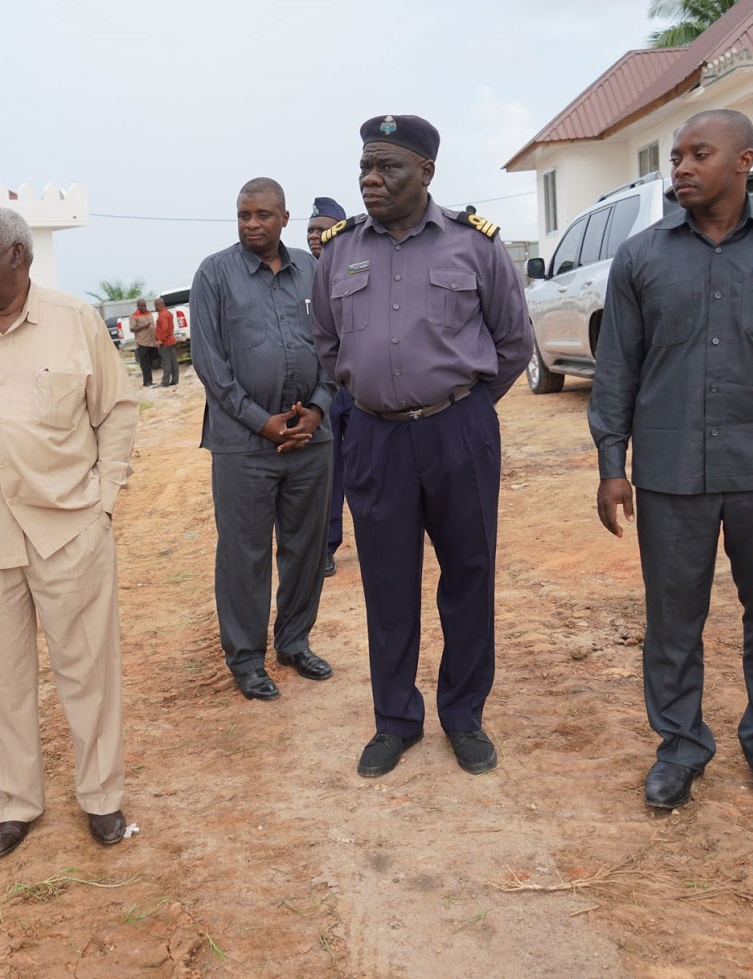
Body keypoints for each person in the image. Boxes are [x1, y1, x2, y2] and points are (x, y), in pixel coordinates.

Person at [588, 109, 753, 816]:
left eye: (698, 154)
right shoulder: (641, 258)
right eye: (675, 156)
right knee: (672, 620)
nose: (680, 167)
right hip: (671, 471)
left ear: (743, 161)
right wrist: (612, 463)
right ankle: (680, 746)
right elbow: (617, 369)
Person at [311, 115, 532, 779]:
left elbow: (513, 340)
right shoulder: (339, 251)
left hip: (457, 429)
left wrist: (463, 408)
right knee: (387, 581)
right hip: (374, 435)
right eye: (365, 168)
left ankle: (463, 715)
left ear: (427, 171)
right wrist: (373, 394)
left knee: (469, 574)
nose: (371, 180)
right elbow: (326, 343)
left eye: (388, 168)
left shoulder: (474, 244)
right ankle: (396, 720)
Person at [0, 206, 137, 859]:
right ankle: (15, 804)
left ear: (17, 256)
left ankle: (102, 797)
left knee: (88, 672)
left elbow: (117, 412)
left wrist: (103, 504)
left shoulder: (74, 320)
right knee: (1, 678)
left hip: (69, 530)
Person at [190, 177, 336, 703]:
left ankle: (294, 642)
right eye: (243, 215)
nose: (252, 224)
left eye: (263, 215)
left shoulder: (313, 271)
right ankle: (247, 660)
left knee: (306, 548)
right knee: (244, 554)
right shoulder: (214, 274)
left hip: (311, 439)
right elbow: (210, 363)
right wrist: (261, 421)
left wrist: (317, 408)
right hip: (244, 445)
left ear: (285, 218)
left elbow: (334, 344)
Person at [306, 197, 354, 577]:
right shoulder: (300, 274)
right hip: (325, 389)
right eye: (309, 230)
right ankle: (326, 546)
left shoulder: (358, 265)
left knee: (374, 466)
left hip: (361, 386)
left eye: (322, 229)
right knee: (330, 471)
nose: (314, 236)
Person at [129, 298, 158, 387]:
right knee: (144, 363)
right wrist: (143, 327)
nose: (143, 307)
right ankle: (146, 381)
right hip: (142, 343)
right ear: (137, 306)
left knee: (150, 362)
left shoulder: (149, 313)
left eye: (144, 306)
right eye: (141, 306)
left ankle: (150, 380)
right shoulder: (134, 316)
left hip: (152, 342)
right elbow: (132, 329)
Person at [306, 195, 344, 259]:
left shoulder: (355, 261)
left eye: (321, 230)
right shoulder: (301, 264)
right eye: (310, 231)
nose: (313, 236)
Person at [154, 296, 180, 387]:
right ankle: (175, 380)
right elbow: (170, 328)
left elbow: (165, 329)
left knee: (166, 362)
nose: (155, 307)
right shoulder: (168, 313)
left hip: (165, 343)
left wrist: (160, 340)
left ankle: (165, 382)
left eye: (156, 305)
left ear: (160, 305)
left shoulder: (163, 315)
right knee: (173, 362)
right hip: (171, 341)